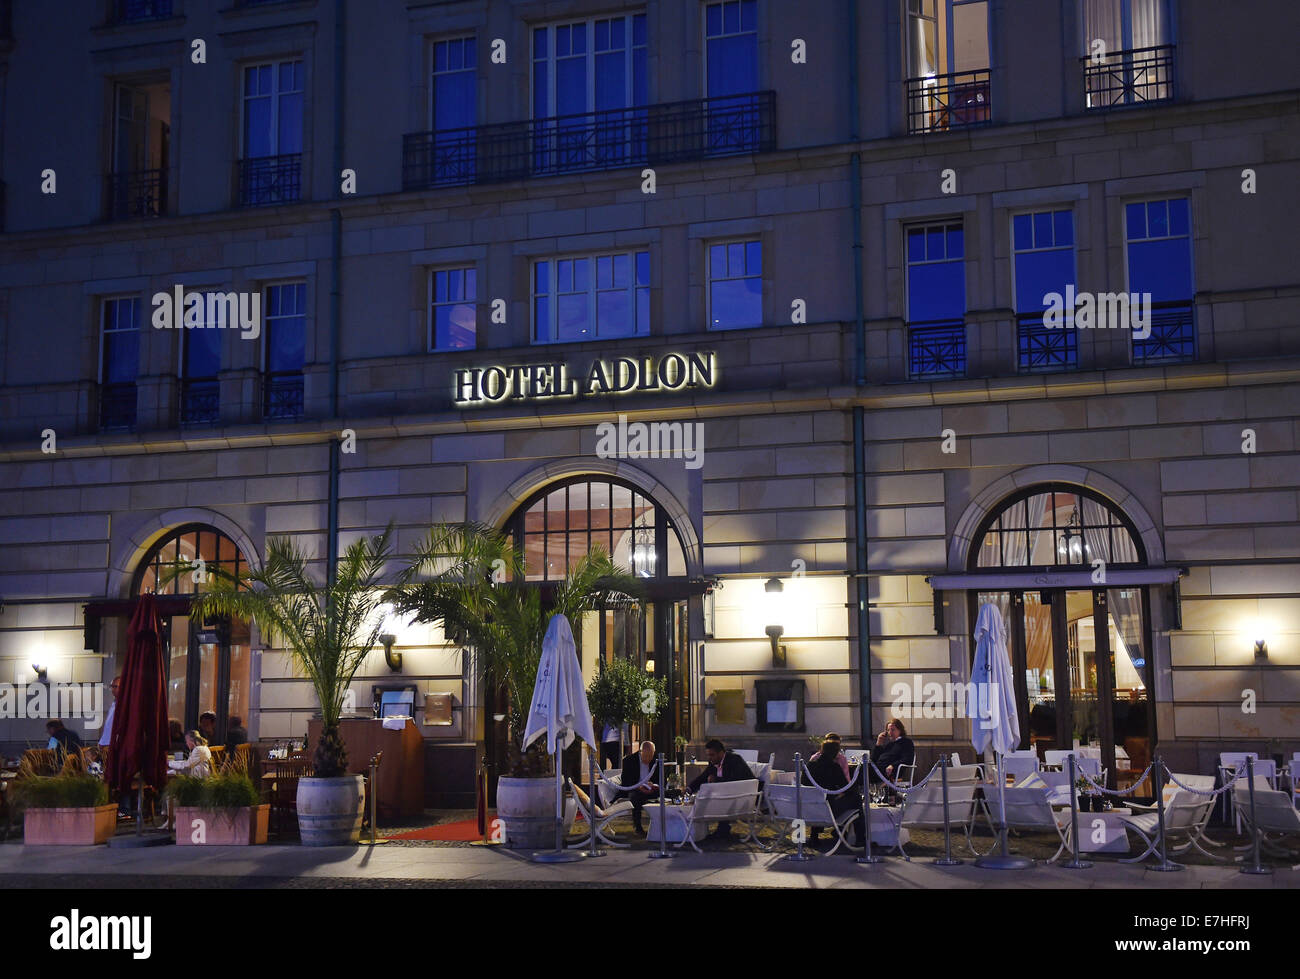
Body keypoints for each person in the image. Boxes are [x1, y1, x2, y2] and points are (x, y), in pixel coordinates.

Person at [687, 738, 754, 841]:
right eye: (708, 755)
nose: (710, 758)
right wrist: (689, 788)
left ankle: (722, 830)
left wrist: (716, 779)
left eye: (712, 755)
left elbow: (735, 780)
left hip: (744, 795)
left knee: (716, 797)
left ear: (721, 753)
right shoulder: (713, 762)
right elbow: (703, 777)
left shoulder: (734, 760)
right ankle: (707, 829)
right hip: (728, 795)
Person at [803, 740, 864, 847]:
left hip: (809, 810)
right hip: (829, 812)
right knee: (856, 798)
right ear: (836, 753)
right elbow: (847, 788)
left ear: (821, 751)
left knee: (818, 798)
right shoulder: (834, 767)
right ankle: (860, 838)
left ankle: (814, 836)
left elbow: (803, 783)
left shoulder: (810, 766)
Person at [161, 731, 213, 830]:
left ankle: (174, 821)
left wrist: (169, 763)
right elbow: (189, 764)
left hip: (198, 783)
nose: (186, 743)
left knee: (171, 794)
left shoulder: (199, 750)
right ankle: (170, 820)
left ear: (192, 741)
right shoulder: (201, 748)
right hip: (197, 779)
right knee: (169, 791)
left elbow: (187, 765)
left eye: (187, 741)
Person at [618, 740, 662, 835]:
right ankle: (638, 827)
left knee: (668, 793)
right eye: (646, 756)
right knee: (635, 797)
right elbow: (626, 781)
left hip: (651, 790)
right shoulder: (629, 761)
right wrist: (638, 787)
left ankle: (662, 825)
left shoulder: (656, 761)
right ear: (640, 752)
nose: (648, 759)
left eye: (651, 756)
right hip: (635, 789)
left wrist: (654, 785)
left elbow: (661, 780)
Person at [868, 718, 915, 785]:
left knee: (860, 773)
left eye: (893, 730)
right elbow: (873, 759)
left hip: (890, 771)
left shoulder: (906, 742)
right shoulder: (889, 744)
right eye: (888, 730)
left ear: (900, 730)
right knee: (857, 770)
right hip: (877, 769)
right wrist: (878, 743)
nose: (890, 733)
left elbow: (908, 759)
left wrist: (893, 766)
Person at [98, 676, 120, 748]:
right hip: (107, 745)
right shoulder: (114, 704)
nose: (113, 689)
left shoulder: (125, 705)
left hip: (114, 745)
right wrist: (102, 741)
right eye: (112, 687)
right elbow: (108, 726)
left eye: (115, 686)